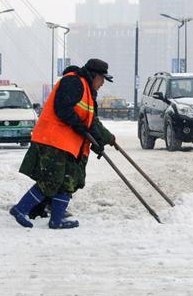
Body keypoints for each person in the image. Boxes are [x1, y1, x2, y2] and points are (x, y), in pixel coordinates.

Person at [9, 58, 117, 229]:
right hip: (53, 139)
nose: (103, 83)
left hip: (67, 144)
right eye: (102, 79)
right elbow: (63, 109)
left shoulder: (88, 93)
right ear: (94, 75)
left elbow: (91, 123)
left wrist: (106, 139)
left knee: (68, 180)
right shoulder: (74, 82)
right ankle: (20, 209)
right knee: (51, 180)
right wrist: (80, 127)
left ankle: (56, 220)